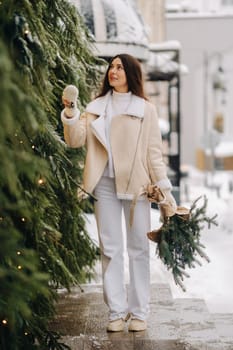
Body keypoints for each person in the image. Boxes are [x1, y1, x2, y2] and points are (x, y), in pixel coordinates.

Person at [61, 54, 177, 332]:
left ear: (131, 74)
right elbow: (75, 140)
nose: (113, 71)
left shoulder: (145, 109)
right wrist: (70, 111)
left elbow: (153, 153)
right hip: (104, 185)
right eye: (111, 67)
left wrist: (164, 191)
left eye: (119, 67)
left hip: (137, 187)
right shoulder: (96, 106)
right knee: (110, 250)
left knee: (138, 250)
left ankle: (139, 313)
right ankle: (115, 312)